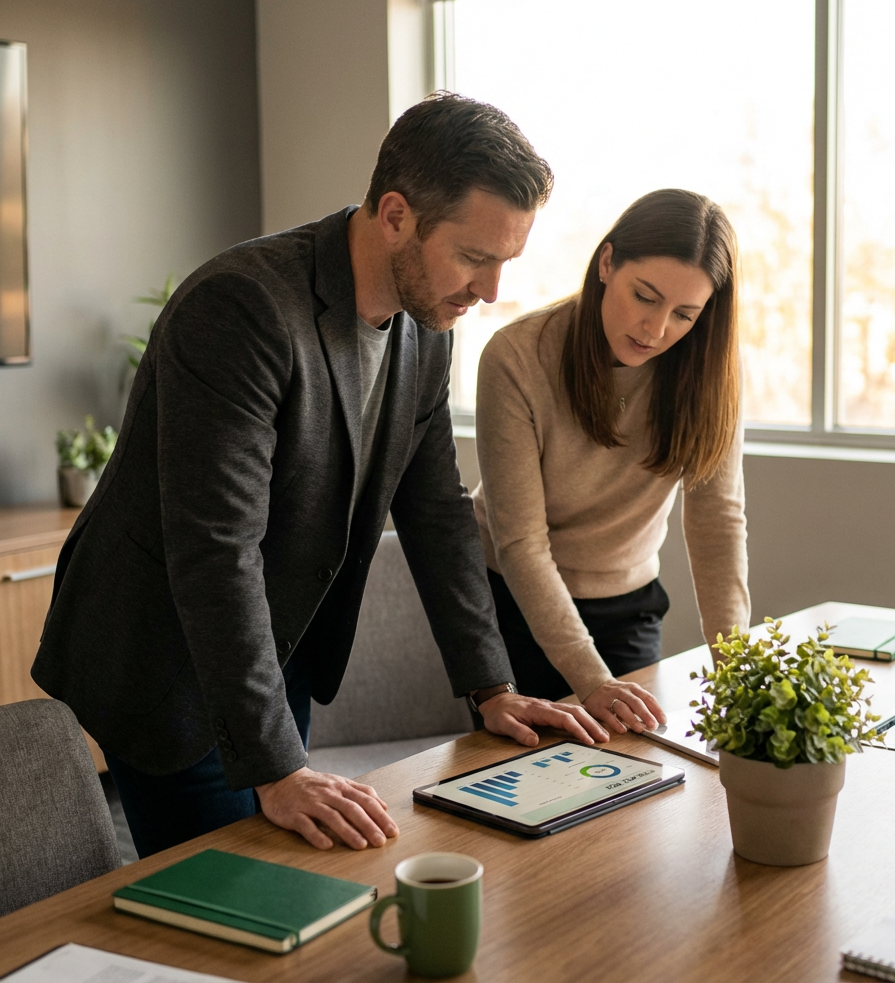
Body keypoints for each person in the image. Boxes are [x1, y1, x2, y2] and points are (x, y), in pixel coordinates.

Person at [33, 93, 608, 859]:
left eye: (505, 262)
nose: (491, 291)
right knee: (230, 901)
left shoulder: (427, 327)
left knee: (298, 869)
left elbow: (437, 510)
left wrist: (491, 686)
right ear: (397, 215)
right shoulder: (241, 308)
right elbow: (215, 549)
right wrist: (275, 767)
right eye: (475, 257)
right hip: (171, 659)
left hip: (281, 638)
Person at [472, 189, 750, 737]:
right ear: (607, 263)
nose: (656, 329)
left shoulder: (712, 374)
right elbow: (522, 544)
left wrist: (737, 676)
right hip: (513, 602)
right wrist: (591, 680)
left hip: (628, 604)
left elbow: (718, 524)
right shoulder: (517, 357)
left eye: (684, 315)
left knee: (634, 774)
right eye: (644, 296)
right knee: (534, 785)